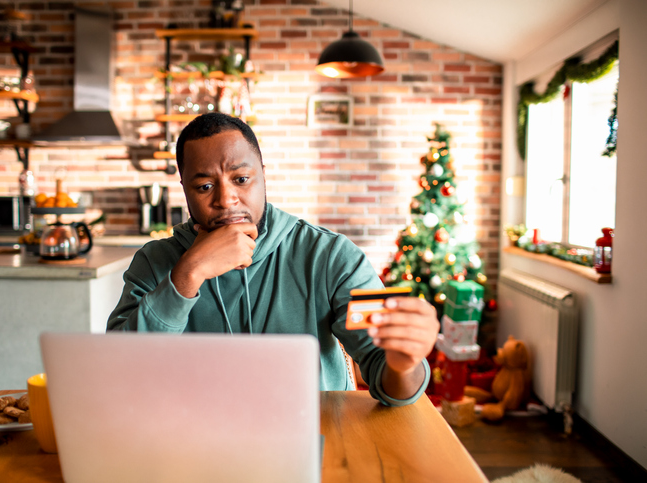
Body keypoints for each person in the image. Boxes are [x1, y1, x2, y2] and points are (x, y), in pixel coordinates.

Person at [107, 112, 439, 406]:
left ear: (263, 175)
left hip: (313, 441)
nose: (226, 199)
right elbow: (117, 373)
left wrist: (403, 363)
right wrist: (187, 274)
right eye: (205, 186)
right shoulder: (154, 261)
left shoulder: (331, 256)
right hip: (191, 443)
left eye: (240, 179)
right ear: (184, 189)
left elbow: (396, 387)